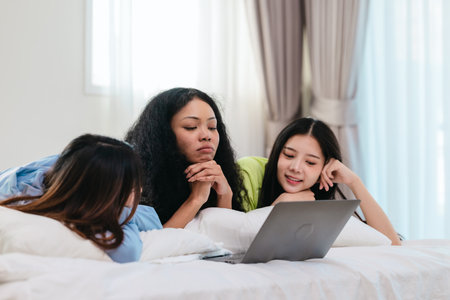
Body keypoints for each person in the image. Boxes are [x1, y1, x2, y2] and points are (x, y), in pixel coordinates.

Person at [0, 134, 163, 263]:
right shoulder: (23, 194)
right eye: (135, 185)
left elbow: (151, 217)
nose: (141, 190)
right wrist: (118, 212)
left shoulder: (73, 168)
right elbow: (128, 253)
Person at [239, 117, 401, 245]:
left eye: (310, 162)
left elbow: (391, 243)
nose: (296, 167)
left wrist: (354, 182)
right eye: (289, 155)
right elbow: (237, 241)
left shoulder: (317, 196)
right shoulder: (249, 170)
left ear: (324, 168)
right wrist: (280, 205)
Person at [125, 87, 245, 228]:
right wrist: (196, 199)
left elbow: (227, 241)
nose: (207, 135)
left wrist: (224, 195)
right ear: (163, 134)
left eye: (212, 127)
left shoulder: (220, 171)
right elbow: (155, 244)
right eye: (191, 127)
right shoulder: (134, 178)